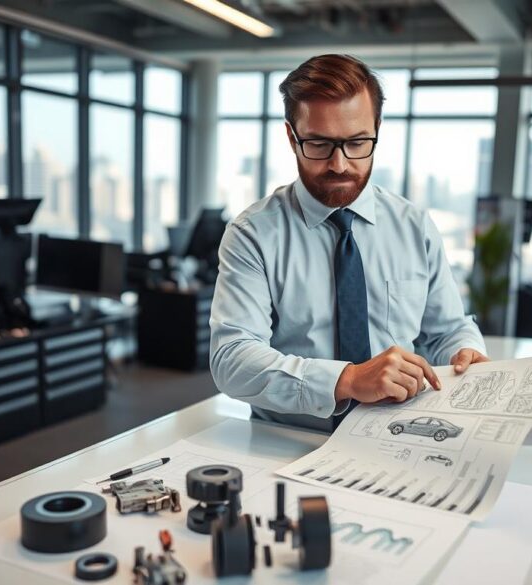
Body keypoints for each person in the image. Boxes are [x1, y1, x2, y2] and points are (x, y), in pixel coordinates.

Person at [209, 54, 489, 432]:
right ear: (292, 137)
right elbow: (232, 359)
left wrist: (464, 352)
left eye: (357, 143)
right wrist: (348, 380)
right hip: (289, 439)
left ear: (377, 131)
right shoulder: (253, 234)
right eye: (320, 144)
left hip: (398, 435)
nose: (340, 164)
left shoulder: (415, 227)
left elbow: (446, 330)